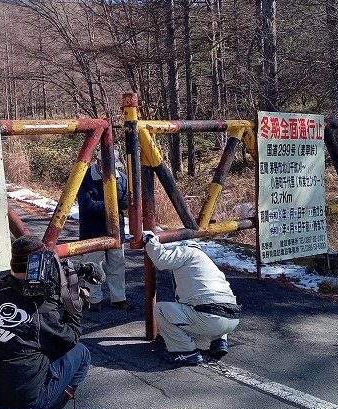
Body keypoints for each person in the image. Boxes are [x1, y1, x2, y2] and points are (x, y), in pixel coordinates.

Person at [0, 235, 91, 409]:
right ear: (40, 265)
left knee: (23, 346)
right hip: (23, 404)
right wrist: (75, 304)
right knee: (81, 353)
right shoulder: (41, 311)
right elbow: (71, 338)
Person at [142, 231, 241, 365]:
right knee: (215, 303)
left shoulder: (187, 252)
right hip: (232, 319)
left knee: (160, 309)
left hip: (210, 319)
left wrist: (150, 240)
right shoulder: (207, 262)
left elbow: (162, 259)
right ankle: (219, 342)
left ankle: (184, 351)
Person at [76, 148, 131, 311]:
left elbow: (126, 203)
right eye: (108, 164)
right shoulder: (84, 178)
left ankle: (118, 298)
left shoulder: (122, 178)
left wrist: (110, 205)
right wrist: (113, 204)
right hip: (92, 230)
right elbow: (87, 206)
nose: (112, 169)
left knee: (117, 265)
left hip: (115, 229)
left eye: (114, 165)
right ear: (98, 162)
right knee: (93, 266)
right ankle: (93, 299)